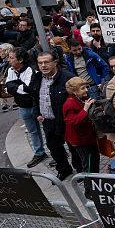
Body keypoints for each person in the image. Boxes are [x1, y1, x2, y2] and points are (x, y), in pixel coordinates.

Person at [30, 51, 76, 179]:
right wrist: (37, 113)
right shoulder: (37, 78)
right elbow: (34, 97)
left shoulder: (67, 78)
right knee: (54, 148)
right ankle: (64, 170)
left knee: (74, 147)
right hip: (48, 121)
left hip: (66, 121)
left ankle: (80, 171)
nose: (43, 65)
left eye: (46, 62)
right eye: (40, 63)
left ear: (55, 62)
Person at [5, 48, 48, 167]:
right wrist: (17, 87)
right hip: (23, 106)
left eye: (11, 58)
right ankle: (39, 153)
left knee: (48, 130)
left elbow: (28, 89)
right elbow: (7, 86)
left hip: (37, 106)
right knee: (33, 131)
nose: (9, 60)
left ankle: (58, 153)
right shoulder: (10, 70)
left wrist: (14, 87)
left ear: (20, 60)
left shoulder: (31, 70)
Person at [62, 77, 100, 174]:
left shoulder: (81, 98)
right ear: (74, 91)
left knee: (95, 161)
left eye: (86, 87)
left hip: (88, 137)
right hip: (81, 141)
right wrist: (85, 110)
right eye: (83, 88)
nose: (86, 90)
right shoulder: (69, 104)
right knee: (89, 165)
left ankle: (96, 181)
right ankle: (89, 183)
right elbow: (72, 122)